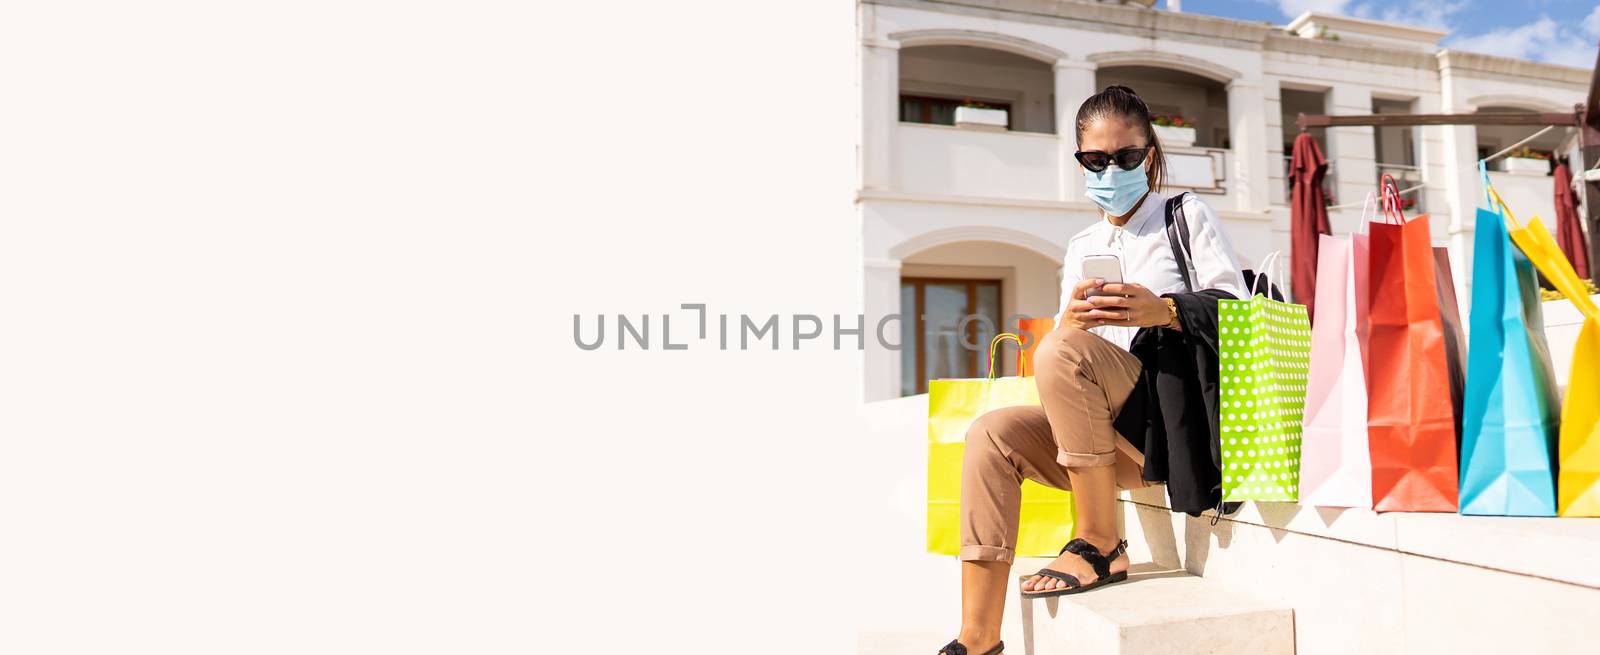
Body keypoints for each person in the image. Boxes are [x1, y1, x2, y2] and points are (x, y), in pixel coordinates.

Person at [937, 85, 1248, 655]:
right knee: (992, 433)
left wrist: (1167, 310)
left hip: (1168, 427)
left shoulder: (1184, 215)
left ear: (1149, 155)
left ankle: (1100, 540)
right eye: (1096, 159)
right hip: (1105, 444)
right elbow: (1062, 367)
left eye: (1126, 156)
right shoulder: (1081, 244)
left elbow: (1239, 309)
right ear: (1080, 161)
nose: (1112, 168)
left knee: (1060, 348)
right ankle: (977, 636)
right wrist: (1072, 321)